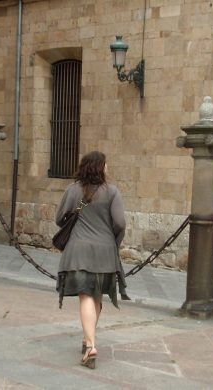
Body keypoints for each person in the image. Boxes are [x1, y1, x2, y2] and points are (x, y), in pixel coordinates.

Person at [55, 151, 129, 369]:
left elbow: (60, 218)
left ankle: (90, 346)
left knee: (86, 295)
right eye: (106, 165)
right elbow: (120, 224)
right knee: (95, 296)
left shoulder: (73, 189)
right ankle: (89, 340)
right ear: (100, 167)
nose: (108, 169)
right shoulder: (112, 192)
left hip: (78, 251)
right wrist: (111, 240)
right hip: (105, 252)